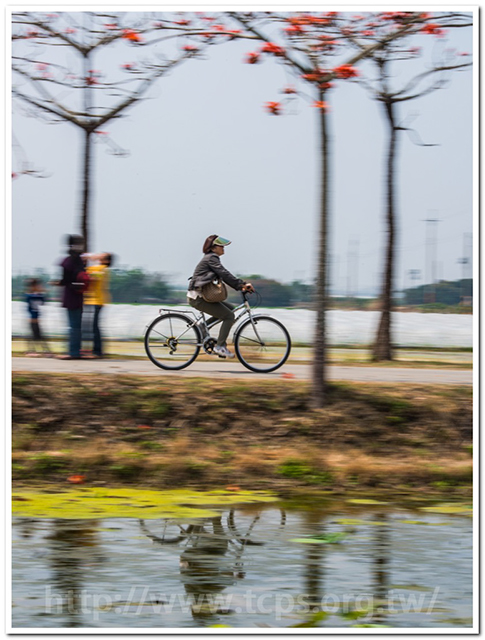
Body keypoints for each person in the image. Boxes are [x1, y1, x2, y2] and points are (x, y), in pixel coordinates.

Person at [187, 235, 254, 358]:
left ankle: (203, 326)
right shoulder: (211, 258)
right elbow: (224, 273)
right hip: (198, 298)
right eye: (221, 246)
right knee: (229, 316)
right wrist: (241, 285)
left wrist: (240, 285)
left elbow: (224, 274)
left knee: (231, 310)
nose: (223, 248)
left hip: (201, 296)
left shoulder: (211, 258)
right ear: (213, 247)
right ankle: (220, 346)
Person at [53, 234, 91, 360]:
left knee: (72, 326)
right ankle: (76, 351)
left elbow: (65, 280)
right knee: (77, 326)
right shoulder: (80, 260)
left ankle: (73, 352)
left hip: (70, 296)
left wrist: (58, 283)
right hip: (79, 295)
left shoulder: (67, 261)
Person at [82, 252, 114, 358]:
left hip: (97, 301)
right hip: (92, 300)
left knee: (95, 327)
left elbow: (89, 274)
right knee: (92, 326)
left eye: (102, 256)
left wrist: (91, 258)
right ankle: (93, 349)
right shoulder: (98, 268)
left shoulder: (103, 269)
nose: (99, 256)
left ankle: (98, 351)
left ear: (107, 261)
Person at [25, 278, 51, 356]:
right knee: (35, 335)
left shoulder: (39, 296)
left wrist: (42, 291)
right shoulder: (30, 296)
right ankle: (33, 351)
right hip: (32, 319)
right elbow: (30, 296)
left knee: (38, 335)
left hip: (37, 319)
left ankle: (41, 350)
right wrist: (39, 291)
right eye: (37, 285)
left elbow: (44, 301)